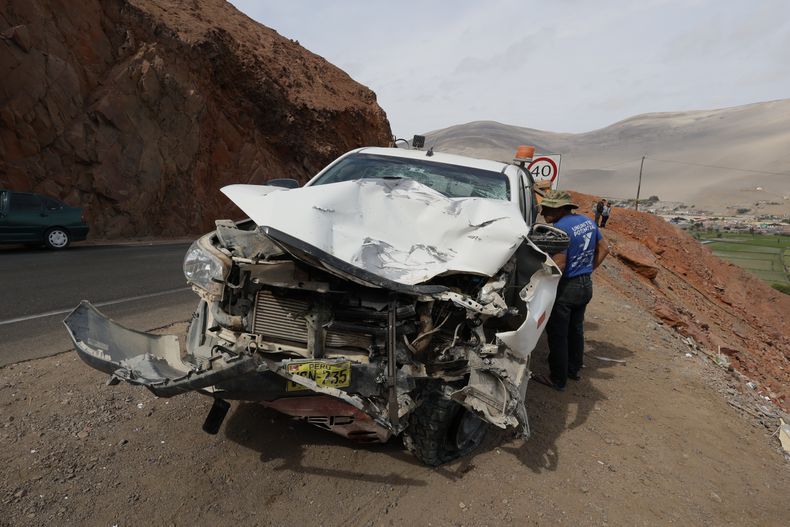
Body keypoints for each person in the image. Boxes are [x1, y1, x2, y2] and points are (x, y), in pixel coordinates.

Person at [534, 190, 609, 391]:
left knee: (558, 333)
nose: (543, 213)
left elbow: (560, 262)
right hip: (585, 285)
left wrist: (537, 280)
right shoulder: (588, 222)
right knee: (575, 329)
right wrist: (588, 269)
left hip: (567, 288)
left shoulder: (560, 229)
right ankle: (573, 369)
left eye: (548, 208)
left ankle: (557, 379)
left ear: (560, 209)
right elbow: (604, 248)